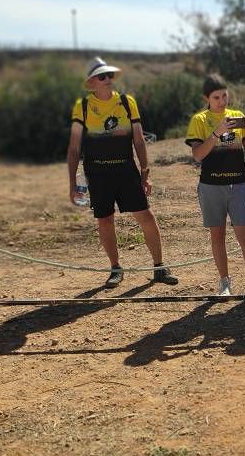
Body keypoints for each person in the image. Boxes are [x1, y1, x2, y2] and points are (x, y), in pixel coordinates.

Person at [67, 56, 178, 287]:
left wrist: (146, 173)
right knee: (105, 221)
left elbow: (139, 140)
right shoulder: (84, 106)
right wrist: (72, 185)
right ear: (92, 82)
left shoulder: (127, 102)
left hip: (126, 171)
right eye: (102, 76)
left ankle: (159, 267)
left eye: (110, 76)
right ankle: (116, 268)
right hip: (97, 175)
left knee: (146, 216)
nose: (108, 79)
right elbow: (74, 147)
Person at [185, 75, 245, 296]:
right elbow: (197, 155)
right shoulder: (199, 120)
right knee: (218, 236)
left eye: (224, 95)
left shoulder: (237, 117)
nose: (222, 101)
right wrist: (216, 133)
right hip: (211, 186)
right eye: (216, 97)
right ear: (207, 98)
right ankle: (225, 282)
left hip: (238, 185)